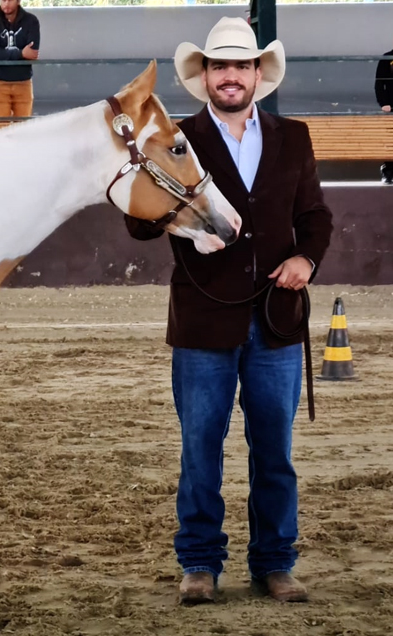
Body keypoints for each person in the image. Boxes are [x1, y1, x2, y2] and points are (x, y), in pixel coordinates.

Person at [124, 17, 333, 605]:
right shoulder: (178, 138)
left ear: (258, 74)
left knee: (275, 451)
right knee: (200, 448)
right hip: (202, 321)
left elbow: (315, 217)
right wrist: (161, 212)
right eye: (220, 66)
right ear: (206, 75)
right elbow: (137, 223)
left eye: (241, 65)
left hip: (277, 318)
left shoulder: (294, 137)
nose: (231, 76)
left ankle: (274, 561)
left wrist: (305, 261)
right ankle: (199, 563)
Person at [0, 0, 40, 119]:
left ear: (18, 1)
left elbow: (32, 52)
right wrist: (21, 53)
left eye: (10, 0)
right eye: (3, 0)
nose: (6, 4)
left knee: (23, 129)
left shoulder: (31, 21)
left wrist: (7, 54)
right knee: (0, 130)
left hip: (23, 81)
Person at [375, 44, 393, 184]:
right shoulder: (387, 57)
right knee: (391, 139)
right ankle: (389, 172)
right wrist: (383, 103)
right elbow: (380, 83)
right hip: (391, 106)